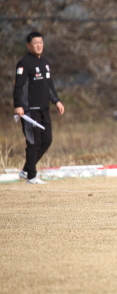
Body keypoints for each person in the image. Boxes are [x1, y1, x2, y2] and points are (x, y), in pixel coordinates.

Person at [13, 32, 65, 184]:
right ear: (28, 45)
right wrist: (18, 105)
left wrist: (57, 101)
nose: (39, 45)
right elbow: (19, 86)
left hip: (44, 109)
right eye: (35, 43)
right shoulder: (24, 63)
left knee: (47, 140)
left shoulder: (45, 62)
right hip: (29, 110)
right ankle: (31, 176)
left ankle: (26, 170)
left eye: (41, 42)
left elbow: (49, 84)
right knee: (33, 142)